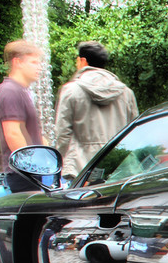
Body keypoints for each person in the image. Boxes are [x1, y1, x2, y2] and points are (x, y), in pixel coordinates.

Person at [55, 41, 139, 180]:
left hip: (80, 168)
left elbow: (63, 133)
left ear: (82, 61)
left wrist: (59, 161)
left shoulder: (71, 90)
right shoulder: (125, 92)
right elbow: (134, 131)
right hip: (118, 168)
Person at [0, 39, 46, 193]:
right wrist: (32, 168)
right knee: (31, 217)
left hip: (28, 173)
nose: (39, 68)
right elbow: (13, 133)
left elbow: (31, 133)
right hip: (23, 175)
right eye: (34, 62)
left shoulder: (20, 91)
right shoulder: (10, 91)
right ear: (18, 62)